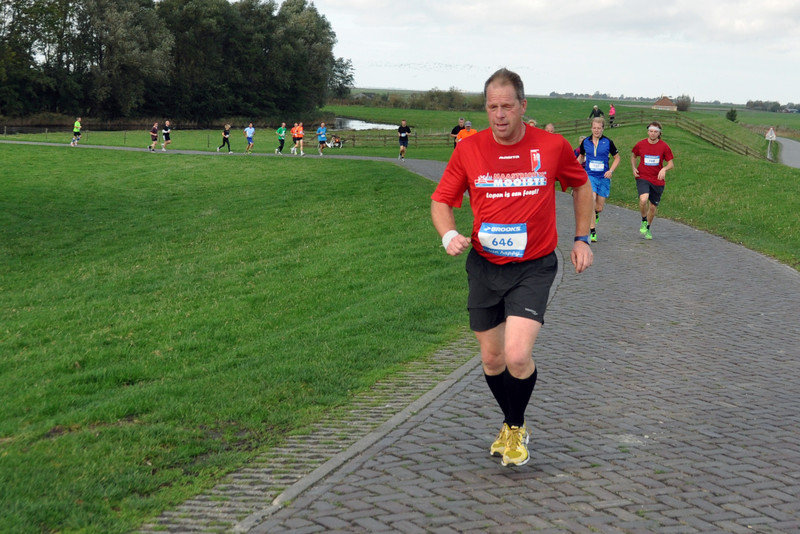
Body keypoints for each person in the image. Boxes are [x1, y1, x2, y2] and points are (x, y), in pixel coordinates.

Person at [430, 68, 594, 467]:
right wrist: (448, 234)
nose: (499, 115)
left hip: (533, 266)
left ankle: (516, 428)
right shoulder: (468, 149)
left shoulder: (551, 146)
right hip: (485, 266)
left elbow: (582, 186)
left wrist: (581, 238)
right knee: (492, 359)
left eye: (507, 106)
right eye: (492, 107)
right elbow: (441, 200)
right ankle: (510, 423)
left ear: (523, 105)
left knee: (517, 355)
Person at [578, 117, 620, 242]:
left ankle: (596, 213)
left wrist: (610, 171)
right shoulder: (585, 142)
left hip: (603, 177)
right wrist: (574, 169)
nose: (596, 130)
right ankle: (592, 231)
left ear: (603, 128)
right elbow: (581, 156)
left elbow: (617, 158)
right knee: (591, 200)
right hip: (590, 176)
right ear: (591, 128)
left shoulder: (608, 142)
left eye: (599, 128)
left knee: (599, 207)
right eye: (594, 128)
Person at [631, 121, 674, 240]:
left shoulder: (664, 146)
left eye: (655, 132)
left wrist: (664, 169)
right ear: (648, 132)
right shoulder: (641, 144)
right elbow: (633, 155)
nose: (653, 133)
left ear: (659, 133)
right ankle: (644, 219)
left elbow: (671, 164)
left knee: (653, 207)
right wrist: (634, 168)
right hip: (643, 176)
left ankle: (648, 228)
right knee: (643, 199)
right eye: (651, 131)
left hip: (657, 180)